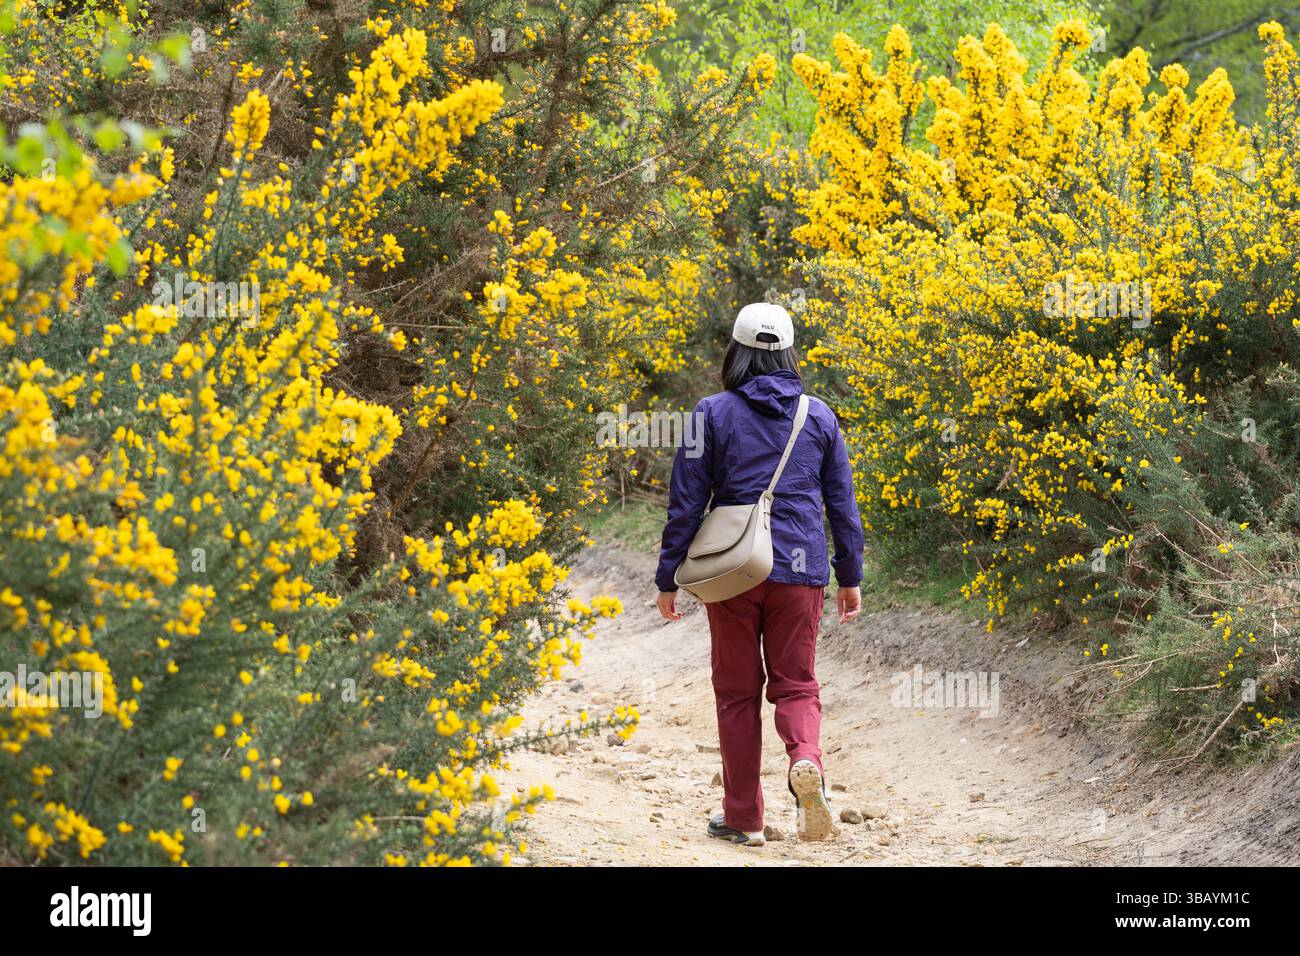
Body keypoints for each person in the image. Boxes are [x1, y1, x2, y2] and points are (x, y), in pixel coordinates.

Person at [655, 302, 865, 846]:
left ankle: (744, 817)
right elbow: (842, 505)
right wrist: (849, 575)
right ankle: (807, 760)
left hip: (733, 572)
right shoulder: (818, 416)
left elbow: (685, 502)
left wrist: (668, 576)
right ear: (790, 353)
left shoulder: (710, 413)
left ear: (737, 350)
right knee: (797, 685)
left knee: (736, 692)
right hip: (800, 570)